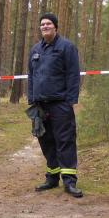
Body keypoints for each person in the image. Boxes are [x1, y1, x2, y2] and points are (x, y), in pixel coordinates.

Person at [28, 13, 82, 198]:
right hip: (40, 105)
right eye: (42, 24)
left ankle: (69, 181)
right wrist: (32, 99)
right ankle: (52, 178)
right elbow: (31, 76)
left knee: (65, 141)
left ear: (55, 27)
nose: (45, 26)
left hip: (61, 104)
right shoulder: (35, 50)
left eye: (48, 24)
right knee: (46, 141)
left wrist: (70, 100)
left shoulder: (66, 47)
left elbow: (73, 75)